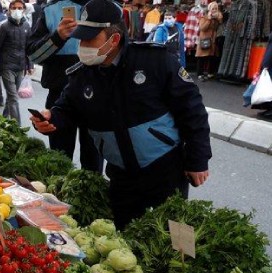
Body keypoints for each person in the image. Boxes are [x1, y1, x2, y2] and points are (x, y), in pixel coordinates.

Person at [30, 0, 211, 229]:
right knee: (126, 234)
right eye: (82, 38)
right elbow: (65, 109)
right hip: (121, 176)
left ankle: (184, 261)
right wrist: (49, 119)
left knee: (176, 237)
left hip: (165, 170)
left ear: (114, 39)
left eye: (90, 39)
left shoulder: (155, 61)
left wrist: (198, 159)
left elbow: (192, 110)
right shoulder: (82, 76)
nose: (83, 45)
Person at [26, 0, 102, 172]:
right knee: (59, 161)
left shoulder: (110, 8)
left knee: (93, 163)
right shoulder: (51, 10)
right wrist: (57, 37)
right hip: (59, 96)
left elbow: (121, 53)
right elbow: (33, 55)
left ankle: (90, 196)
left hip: (98, 98)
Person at [0, 0, 33, 122]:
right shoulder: (3, 26)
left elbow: (29, 48)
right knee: (13, 97)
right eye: (14, 8)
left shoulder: (27, 26)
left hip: (20, 67)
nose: (17, 10)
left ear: (23, 9)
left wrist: (30, 65)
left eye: (20, 8)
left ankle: (2, 120)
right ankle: (17, 128)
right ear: (9, 10)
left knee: (10, 97)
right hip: (7, 67)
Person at [196, 1, 222, 80]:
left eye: (216, 8)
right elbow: (202, 28)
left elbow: (218, 27)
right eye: (212, 8)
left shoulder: (216, 19)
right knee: (202, 57)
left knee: (211, 57)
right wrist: (209, 19)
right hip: (204, 40)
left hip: (213, 41)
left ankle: (209, 73)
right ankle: (200, 74)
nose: (214, 10)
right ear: (209, 9)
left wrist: (218, 19)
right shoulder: (204, 17)